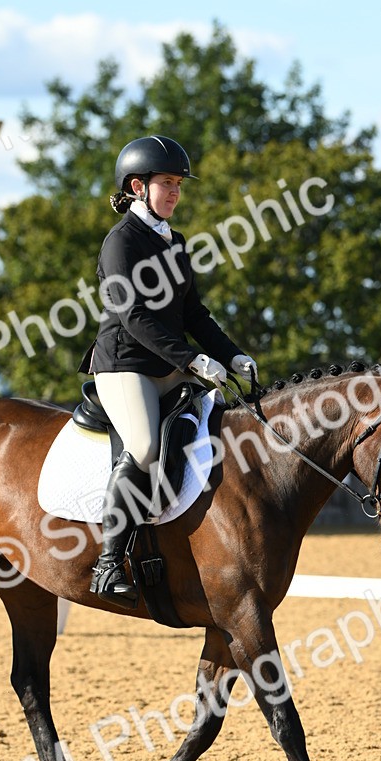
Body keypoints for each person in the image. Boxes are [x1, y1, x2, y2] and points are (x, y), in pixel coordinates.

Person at [78, 135, 258, 608]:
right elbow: (134, 316)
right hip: (124, 365)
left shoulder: (174, 242)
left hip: (169, 363)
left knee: (217, 426)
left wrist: (233, 354)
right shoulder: (120, 242)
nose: (175, 192)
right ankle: (109, 562)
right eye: (166, 183)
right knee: (142, 445)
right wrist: (192, 360)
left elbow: (195, 315)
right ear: (138, 187)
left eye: (178, 184)